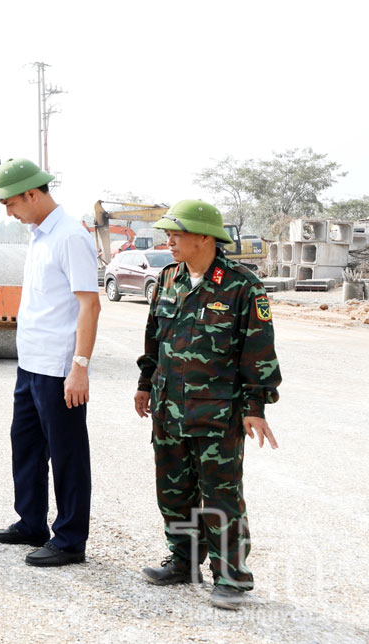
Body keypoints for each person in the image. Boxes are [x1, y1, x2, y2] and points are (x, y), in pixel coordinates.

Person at [134, 199, 281, 611]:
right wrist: (145, 384)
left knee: (221, 497)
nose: (170, 240)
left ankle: (232, 578)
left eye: (176, 233)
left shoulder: (242, 286)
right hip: (168, 410)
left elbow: (259, 352)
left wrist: (256, 406)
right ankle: (184, 561)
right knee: (174, 491)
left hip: (217, 415)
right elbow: (153, 339)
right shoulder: (167, 279)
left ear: (204, 237)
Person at [0, 158, 101, 567]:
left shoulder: (70, 236)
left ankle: (69, 539)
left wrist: (80, 366)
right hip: (31, 363)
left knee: (67, 454)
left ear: (33, 194)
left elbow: (89, 305)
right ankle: (30, 522)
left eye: (12, 203)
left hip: (59, 368)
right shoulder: (39, 236)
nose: (9, 213)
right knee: (27, 447)